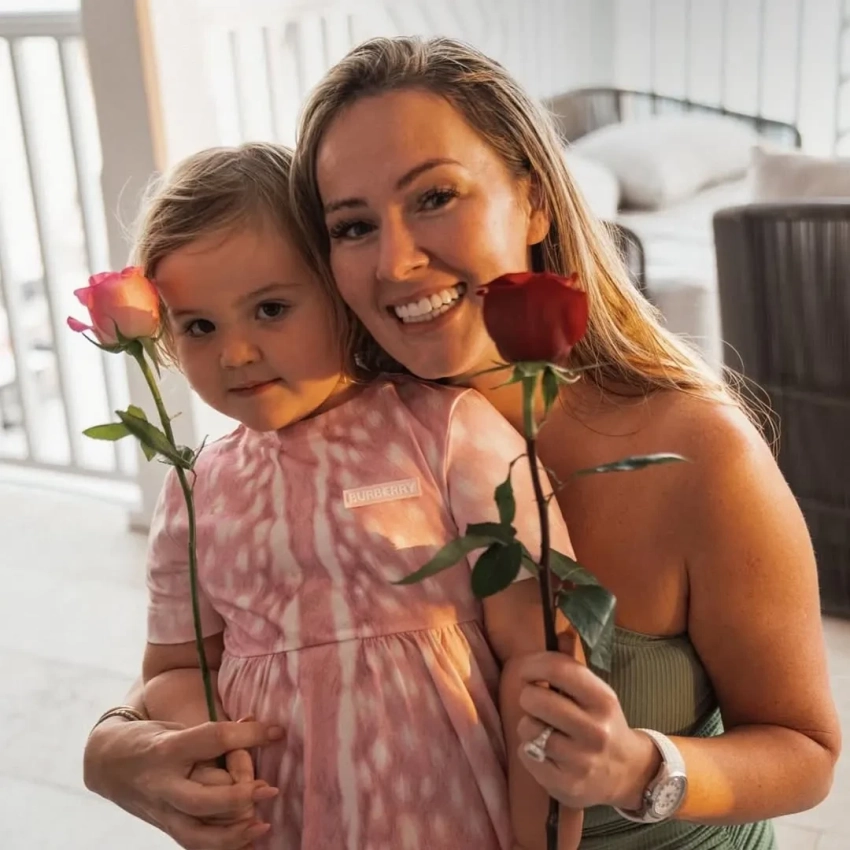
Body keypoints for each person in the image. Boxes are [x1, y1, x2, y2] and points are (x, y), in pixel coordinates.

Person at [83, 35, 841, 850]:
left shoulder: (700, 452)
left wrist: (636, 768)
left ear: (535, 200)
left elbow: (806, 752)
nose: (397, 261)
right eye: (353, 226)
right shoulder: (321, 442)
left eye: (435, 196)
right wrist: (114, 750)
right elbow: (246, 652)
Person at [87, 140, 582, 850]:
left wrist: (543, 843)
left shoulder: (447, 434)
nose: (235, 353)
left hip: (447, 823)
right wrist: (200, 749)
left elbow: (542, 659)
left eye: (271, 309)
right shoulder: (194, 493)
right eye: (198, 326)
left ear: (340, 292)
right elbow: (175, 667)